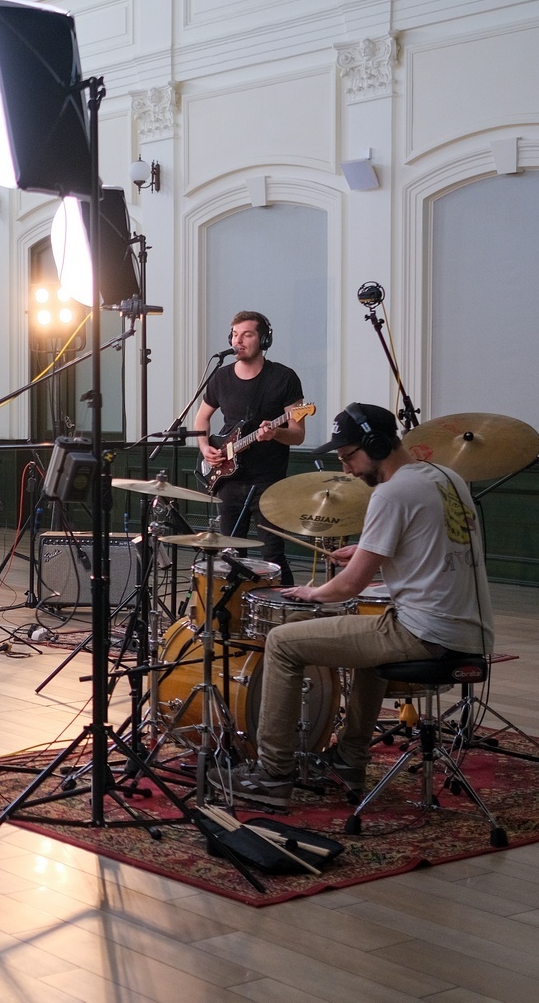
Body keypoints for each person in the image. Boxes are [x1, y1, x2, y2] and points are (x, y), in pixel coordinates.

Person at [213, 402, 495, 808]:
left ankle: (272, 775)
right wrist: (365, 549)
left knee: (283, 642)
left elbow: (348, 587)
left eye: (348, 456)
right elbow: (424, 540)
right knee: (370, 634)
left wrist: (312, 593)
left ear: (376, 446)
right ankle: (348, 760)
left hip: (425, 632)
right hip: (469, 630)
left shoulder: (391, 493)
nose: (347, 469)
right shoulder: (447, 477)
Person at [194, 311, 306, 584]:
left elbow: (298, 434)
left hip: (268, 482)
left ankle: (285, 605)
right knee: (231, 556)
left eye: (247, 335)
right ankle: (236, 608)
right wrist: (205, 447)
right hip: (227, 479)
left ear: (264, 339)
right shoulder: (221, 377)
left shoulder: (284, 378)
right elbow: (201, 419)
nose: (238, 341)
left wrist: (276, 433)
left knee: (273, 554)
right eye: (234, 334)